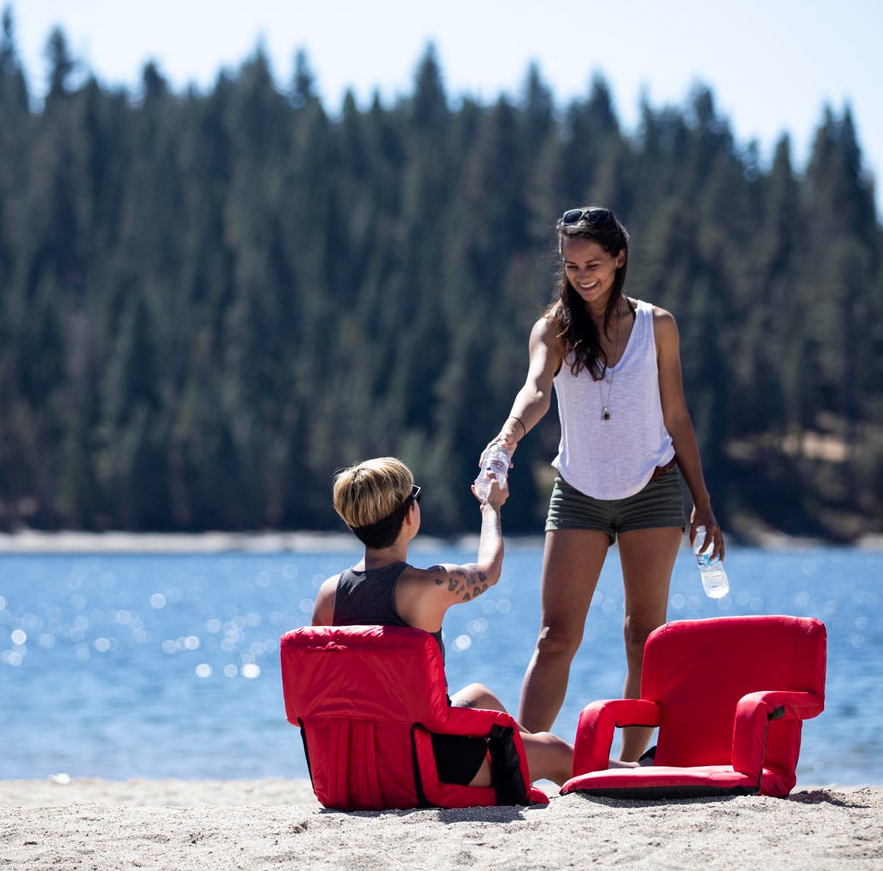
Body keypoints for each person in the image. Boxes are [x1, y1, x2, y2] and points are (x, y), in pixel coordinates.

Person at [485, 206, 725, 764]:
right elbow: (536, 389)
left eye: (594, 263)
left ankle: (631, 762)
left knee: (645, 636)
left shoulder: (657, 325)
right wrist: (508, 437)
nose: (583, 275)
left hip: (654, 490)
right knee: (554, 637)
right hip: (578, 495)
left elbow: (678, 417)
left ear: (620, 258)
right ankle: (521, 760)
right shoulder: (554, 329)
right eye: (572, 266)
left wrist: (703, 504)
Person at [311, 457, 617, 788]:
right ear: (410, 513)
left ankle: (550, 751)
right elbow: (490, 569)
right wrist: (491, 508)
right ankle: (625, 770)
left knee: (479, 695)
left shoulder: (331, 594)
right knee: (556, 751)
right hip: (426, 764)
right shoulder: (428, 586)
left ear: (350, 521)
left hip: (366, 762)